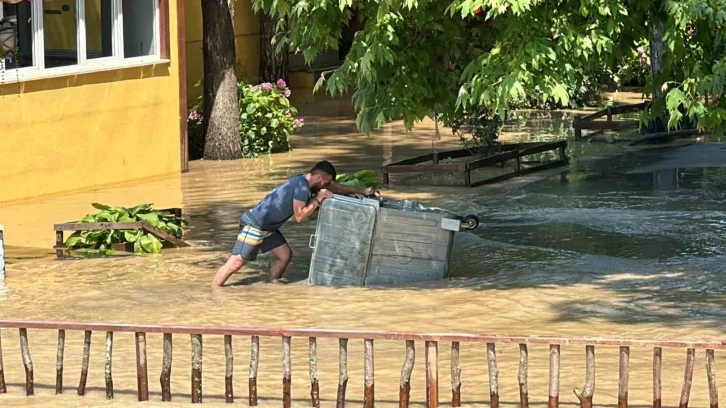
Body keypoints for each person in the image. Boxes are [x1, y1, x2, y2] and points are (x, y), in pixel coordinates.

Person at [211, 161, 376, 287]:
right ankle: (214, 291)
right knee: (235, 263)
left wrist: (362, 191)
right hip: (255, 224)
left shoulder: (306, 180)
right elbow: (299, 216)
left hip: (269, 227)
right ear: (319, 178)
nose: (326, 187)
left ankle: (272, 286)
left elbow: (336, 188)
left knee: (285, 256)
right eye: (326, 183)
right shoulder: (301, 187)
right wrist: (319, 199)